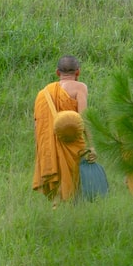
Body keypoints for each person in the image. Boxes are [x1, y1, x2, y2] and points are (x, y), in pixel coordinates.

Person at [32, 55, 91, 203]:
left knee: (57, 185)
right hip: (73, 145)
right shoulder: (80, 87)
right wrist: (92, 145)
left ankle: (57, 207)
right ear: (78, 72)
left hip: (48, 148)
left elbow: (37, 126)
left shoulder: (43, 94)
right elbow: (83, 119)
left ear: (57, 73)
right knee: (75, 186)